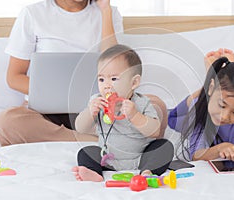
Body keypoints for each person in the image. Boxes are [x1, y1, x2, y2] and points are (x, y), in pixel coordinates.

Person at [0, 0, 167, 146]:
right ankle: (93, 141)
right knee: (7, 121)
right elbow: (14, 77)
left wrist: (105, 10)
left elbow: (114, 64)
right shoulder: (33, 14)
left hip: (98, 110)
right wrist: (60, 94)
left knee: (156, 106)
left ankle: (91, 137)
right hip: (46, 114)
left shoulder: (109, 12)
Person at [72, 44, 174, 182]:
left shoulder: (142, 103)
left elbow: (154, 131)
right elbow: (80, 128)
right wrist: (90, 113)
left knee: (164, 146)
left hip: (140, 157)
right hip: (107, 159)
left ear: (134, 82)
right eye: (101, 79)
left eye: (113, 79)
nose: (107, 85)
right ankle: (94, 173)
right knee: (86, 152)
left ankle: (147, 172)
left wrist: (135, 116)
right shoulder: (97, 101)